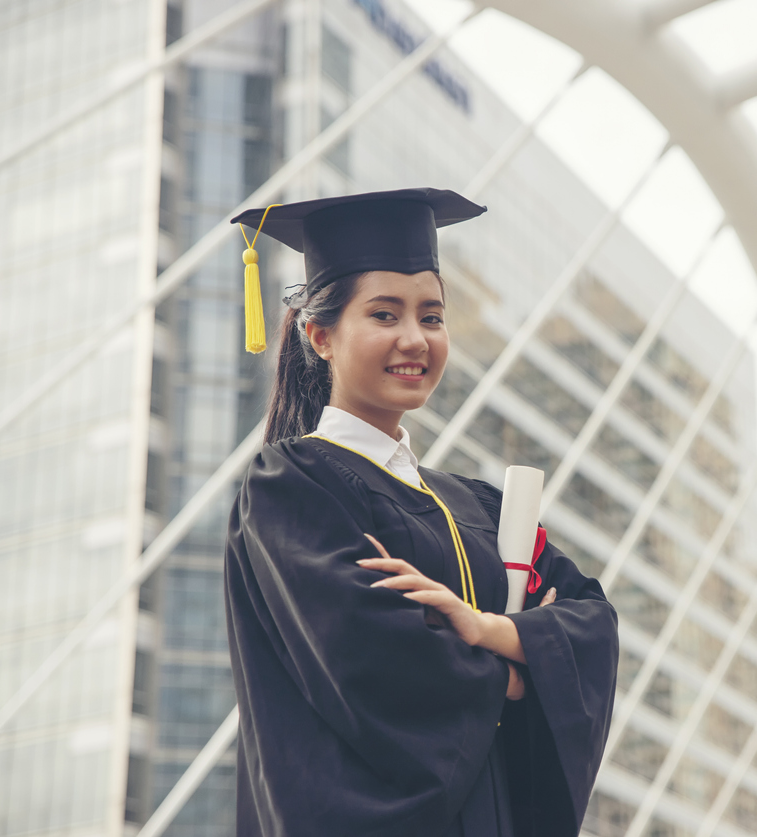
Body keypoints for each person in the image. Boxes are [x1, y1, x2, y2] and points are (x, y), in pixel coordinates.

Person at [222, 189, 619, 837]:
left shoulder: (482, 506)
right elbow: (372, 661)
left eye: (432, 317)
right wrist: (524, 673)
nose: (415, 338)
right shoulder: (293, 486)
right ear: (320, 335)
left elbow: (591, 622)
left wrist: (484, 629)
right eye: (384, 314)